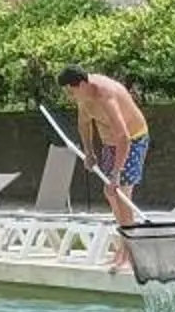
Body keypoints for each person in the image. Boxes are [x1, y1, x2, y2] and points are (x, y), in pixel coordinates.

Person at [58, 66, 150, 229]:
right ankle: (125, 236)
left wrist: (116, 173)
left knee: (121, 192)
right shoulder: (83, 96)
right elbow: (84, 124)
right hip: (110, 144)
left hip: (133, 139)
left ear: (81, 85)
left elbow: (124, 136)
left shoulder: (105, 94)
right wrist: (89, 152)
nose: (69, 97)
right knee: (110, 193)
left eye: (71, 92)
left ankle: (128, 247)